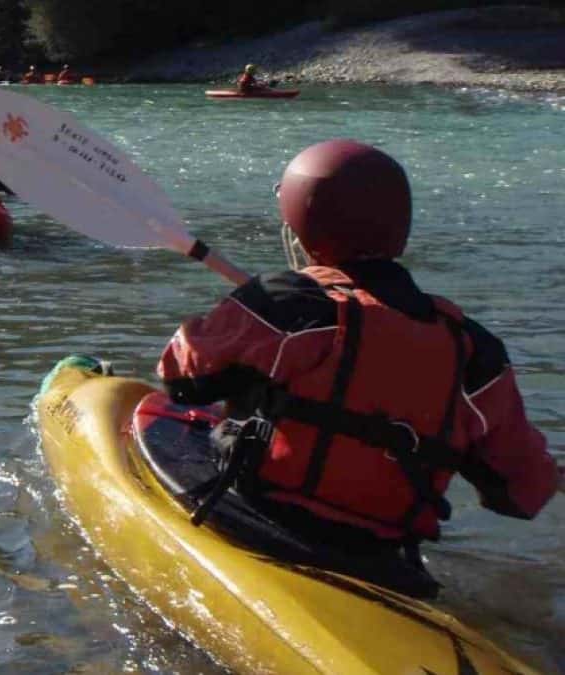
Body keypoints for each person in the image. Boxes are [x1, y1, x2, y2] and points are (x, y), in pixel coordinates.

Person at [157, 139, 559, 567]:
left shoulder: (286, 301)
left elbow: (181, 380)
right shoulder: (476, 351)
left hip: (268, 517)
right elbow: (519, 496)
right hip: (381, 552)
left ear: (301, 221)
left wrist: (237, 313)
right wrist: (545, 475)